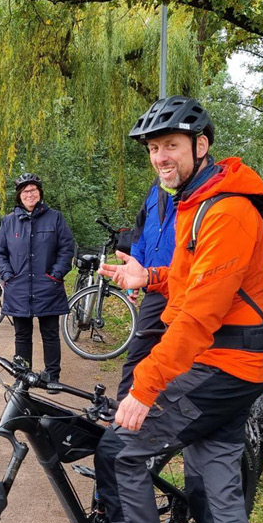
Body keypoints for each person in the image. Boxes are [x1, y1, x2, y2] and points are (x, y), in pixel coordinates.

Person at [94, 95, 263, 523]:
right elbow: (196, 282)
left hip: (221, 368)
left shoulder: (226, 210)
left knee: (121, 449)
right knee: (219, 496)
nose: (160, 157)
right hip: (231, 368)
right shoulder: (200, 204)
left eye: (170, 145)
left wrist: (144, 388)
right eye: (152, 149)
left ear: (201, 146)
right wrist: (152, 275)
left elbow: (200, 314)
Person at [0, 173, 75, 384]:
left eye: (33, 190)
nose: (30, 194)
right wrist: (7, 275)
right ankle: (22, 377)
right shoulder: (9, 222)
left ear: (40, 193)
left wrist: (56, 274)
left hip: (47, 286)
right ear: (19, 196)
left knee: (50, 334)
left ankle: (52, 376)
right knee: (22, 335)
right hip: (18, 286)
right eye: (25, 191)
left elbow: (66, 248)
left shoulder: (55, 217)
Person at [116, 161, 181, 401]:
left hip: (185, 289)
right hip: (154, 287)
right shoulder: (155, 190)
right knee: (138, 351)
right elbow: (140, 234)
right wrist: (136, 273)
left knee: (180, 357)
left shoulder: (196, 194)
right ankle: (119, 413)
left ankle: (167, 416)